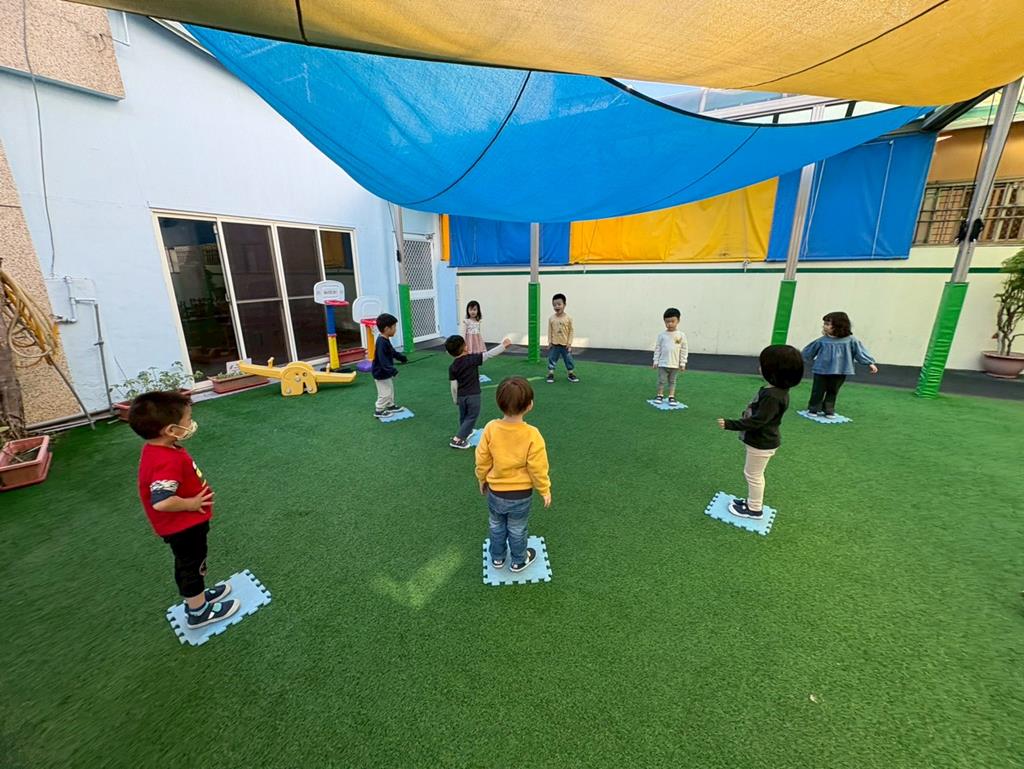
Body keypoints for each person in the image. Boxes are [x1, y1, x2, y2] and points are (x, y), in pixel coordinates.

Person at [130, 391, 240, 629]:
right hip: (184, 527)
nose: (191, 423)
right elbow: (161, 501)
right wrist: (191, 504)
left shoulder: (158, 449)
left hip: (185, 525)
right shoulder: (165, 460)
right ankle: (198, 611)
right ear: (171, 430)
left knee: (191, 563)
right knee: (191, 565)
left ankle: (197, 597)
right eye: (188, 420)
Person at [716, 345, 804, 520]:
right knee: (753, 474)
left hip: (762, 442)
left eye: (763, 365)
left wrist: (730, 424)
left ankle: (754, 509)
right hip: (762, 440)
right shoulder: (775, 390)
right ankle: (751, 502)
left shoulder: (773, 396)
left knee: (753, 475)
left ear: (774, 371)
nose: (759, 367)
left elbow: (757, 421)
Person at [475, 377, 552, 572]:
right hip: (521, 495)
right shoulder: (532, 434)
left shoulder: (490, 428)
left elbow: (482, 458)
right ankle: (518, 560)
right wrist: (544, 489)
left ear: (498, 402)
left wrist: (482, 479)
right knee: (517, 529)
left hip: (495, 492)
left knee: (496, 525)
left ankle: (497, 558)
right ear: (529, 405)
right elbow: (538, 467)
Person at [802, 311, 878, 417]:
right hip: (821, 370)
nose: (824, 326)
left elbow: (860, 352)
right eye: (824, 324)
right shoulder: (822, 341)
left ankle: (828, 409)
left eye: (828, 324)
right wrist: (799, 360)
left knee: (833, 390)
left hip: (840, 371)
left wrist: (869, 363)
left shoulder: (851, 341)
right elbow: (808, 352)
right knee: (818, 390)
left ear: (838, 326)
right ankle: (813, 408)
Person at [446, 333, 512, 449]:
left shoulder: (452, 367)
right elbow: (489, 354)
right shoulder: (472, 359)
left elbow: (453, 386)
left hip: (461, 396)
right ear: (465, 347)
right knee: (471, 416)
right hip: (473, 395)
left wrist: (455, 399)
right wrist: (503, 346)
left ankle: (466, 432)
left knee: (464, 416)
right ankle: (458, 440)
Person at [372, 312, 407, 418]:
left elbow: (392, 352)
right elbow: (382, 359)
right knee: (385, 392)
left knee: (389, 389)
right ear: (387, 328)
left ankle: (390, 405)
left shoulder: (385, 340)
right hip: (381, 372)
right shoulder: (381, 342)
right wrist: (392, 370)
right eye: (394, 327)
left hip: (385, 371)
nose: (395, 329)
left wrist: (401, 358)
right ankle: (379, 410)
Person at [652, 307, 688, 404]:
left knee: (672, 381)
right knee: (661, 380)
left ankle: (671, 396)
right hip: (663, 363)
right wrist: (655, 361)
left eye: (672, 321)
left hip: (675, 364)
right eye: (667, 322)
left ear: (678, 321)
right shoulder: (662, 335)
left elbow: (684, 350)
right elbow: (658, 348)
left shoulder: (681, 335)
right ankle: (660, 395)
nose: (670, 324)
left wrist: (683, 363)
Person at [546, 293, 579, 384]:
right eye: (554, 305)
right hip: (554, 344)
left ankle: (570, 373)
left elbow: (571, 331)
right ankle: (550, 373)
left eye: (559, 304)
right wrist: (550, 342)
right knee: (552, 359)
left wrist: (569, 343)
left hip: (565, 345)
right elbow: (549, 331)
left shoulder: (568, 318)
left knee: (568, 359)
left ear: (564, 305)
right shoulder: (551, 318)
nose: (556, 306)